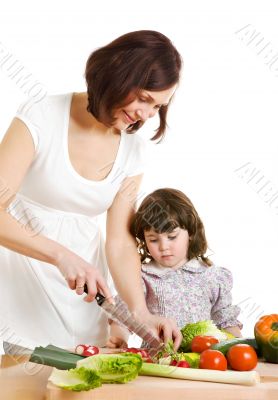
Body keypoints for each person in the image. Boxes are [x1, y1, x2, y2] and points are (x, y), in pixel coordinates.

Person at [0, 31, 183, 350]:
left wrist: (140, 312)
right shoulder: (41, 115)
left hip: (88, 289)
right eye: (144, 98)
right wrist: (60, 255)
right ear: (117, 75)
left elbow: (119, 241)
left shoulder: (133, 152)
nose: (147, 115)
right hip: (25, 281)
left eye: (157, 107)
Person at [107, 188, 242, 349]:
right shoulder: (141, 278)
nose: (164, 246)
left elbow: (226, 320)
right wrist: (119, 338)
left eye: (172, 237)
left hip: (205, 359)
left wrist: (239, 346)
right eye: (153, 239)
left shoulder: (212, 276)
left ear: (191, 232)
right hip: (159, 358)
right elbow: (124, 317)